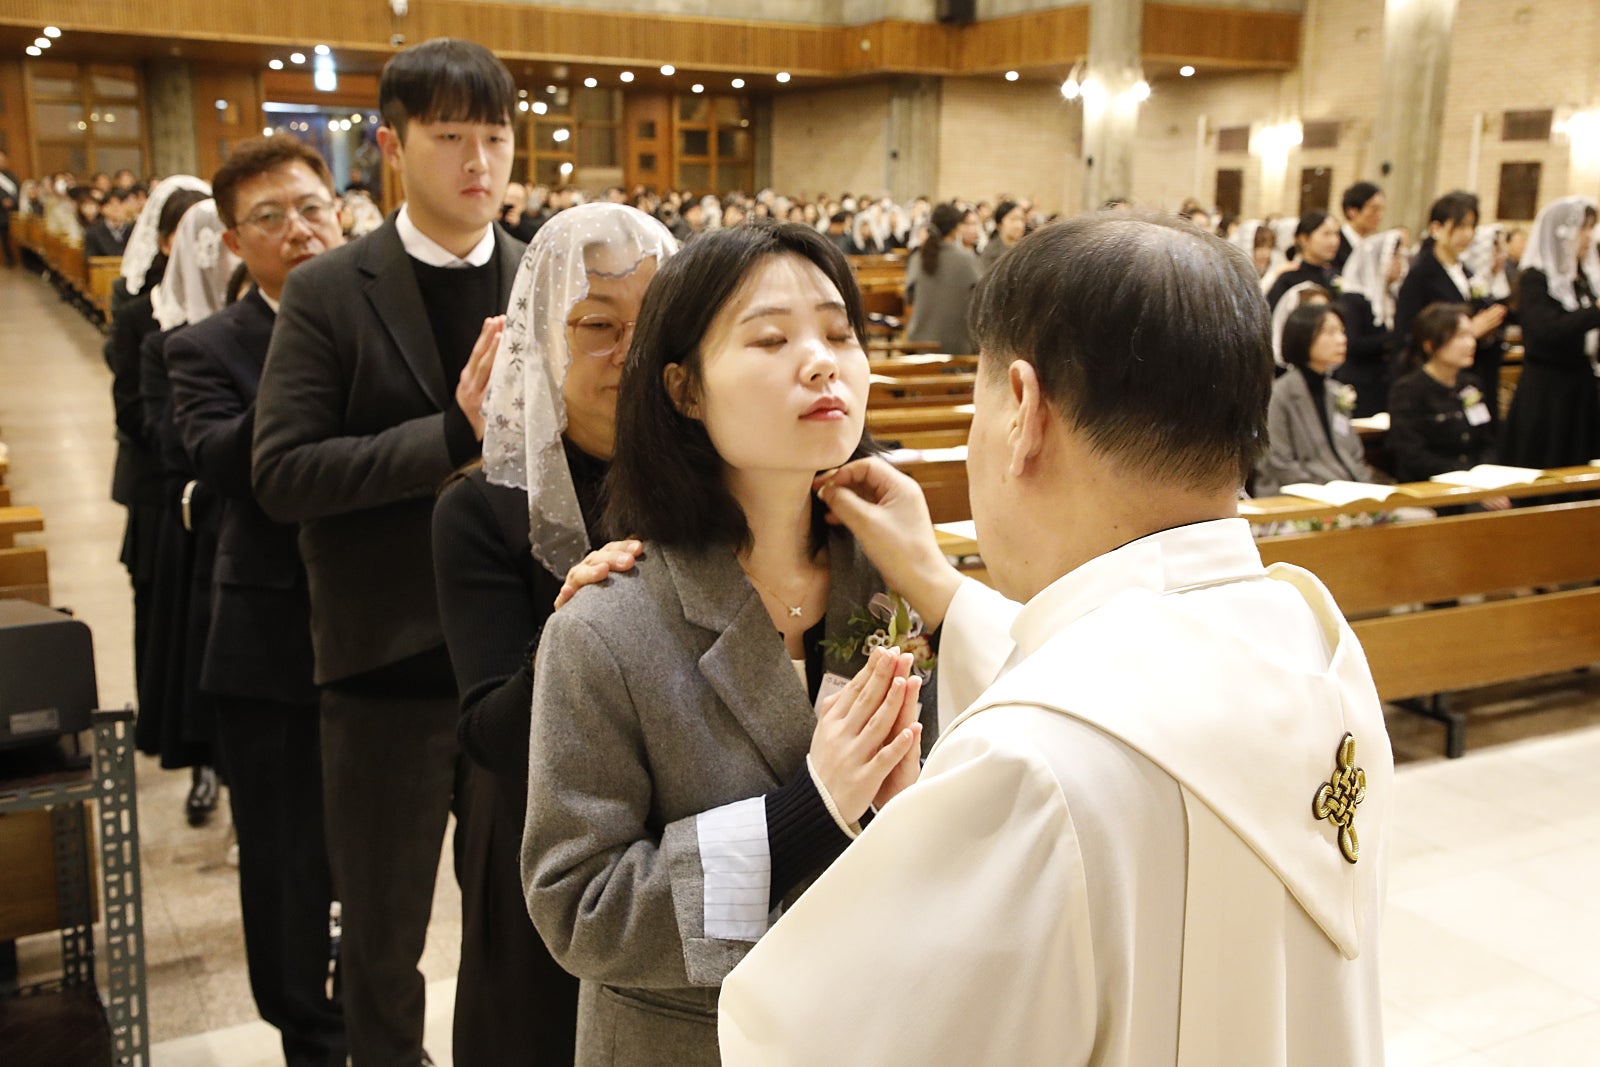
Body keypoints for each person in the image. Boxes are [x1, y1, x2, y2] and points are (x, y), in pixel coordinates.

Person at [717, 213, 1391, 1065]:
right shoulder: (1313, 640)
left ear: (1025, 410)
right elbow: (1124, 677)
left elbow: (814, 1041)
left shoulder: (1029, 766)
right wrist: (936, 585)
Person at [522, 222, 932, 1066]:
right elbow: (579, 907)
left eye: (840, 334)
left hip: (879, 1028)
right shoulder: (608, 626)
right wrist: (803, 814)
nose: (820, 363)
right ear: (684, 390)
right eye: (772, 339)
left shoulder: (901, 585)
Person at [251, 38, 524, 1067]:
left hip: (519, 661)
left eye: (494, 135)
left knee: (518, 933)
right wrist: (451, 433)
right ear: (392, 146)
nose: (478, 161)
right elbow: (284, 473)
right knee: (380, 942)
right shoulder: (331, 288)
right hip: (384, 665)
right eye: (449, 136)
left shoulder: (544, 275)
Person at [432, 203, 677, 1066]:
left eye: (653, 324)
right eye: (597, 327)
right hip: (545, 837)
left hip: (687, 824)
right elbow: (490, 733)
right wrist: (573, 628)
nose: (631, 354)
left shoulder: (716, 478)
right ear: (542, 335)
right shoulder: (481, 507)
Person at [166, 135, 348, 1067]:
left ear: (340, 211)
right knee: (285, 865)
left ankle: (378, 1033)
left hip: (387, 630)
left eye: (312, 207)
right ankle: (309, 1041)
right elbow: (228, 462)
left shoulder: (377, 318)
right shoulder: (202, 347)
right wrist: (311, 352)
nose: (299, 229)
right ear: (236, 242)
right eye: (270, 218)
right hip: (270, 643)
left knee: (378, 866)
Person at [137, 199, 240, 818]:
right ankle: (206, 765)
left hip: (249, 512)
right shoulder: (166, 341)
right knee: (200, 647)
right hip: (197, 517)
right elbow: (168, 439)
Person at [105, 179, 212, 734]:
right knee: (157, 602)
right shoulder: (138, 312)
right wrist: (188, 445)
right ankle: (156, 715)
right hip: (154, 483)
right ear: (166, 240)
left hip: (205, 485)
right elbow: (130, 411)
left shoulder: (226, 301)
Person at [1394, 191, 1508, 426]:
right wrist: (1468, 332)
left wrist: (1489, 328)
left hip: (1472, 373)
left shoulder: (1467, 272)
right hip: (1435, 383)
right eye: (1460, 226)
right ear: (1436, 228)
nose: (1467, 234)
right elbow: (1408, 331)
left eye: (1472, 226)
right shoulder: (1421, 274)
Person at [1503, 196, 1600, 469]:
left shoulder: (1580, 280)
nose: (1589, 237)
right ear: (1562, 232)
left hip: (1581, 386)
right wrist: (1596, 312)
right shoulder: (1536, 278)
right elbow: (1547, 329)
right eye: (1583, 228)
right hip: (1548, 390)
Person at [1387, 303, 1508, 507]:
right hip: (1432, 491)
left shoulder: (1471, 385)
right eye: (1460, 337)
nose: (1470, 343)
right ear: (1430, 345)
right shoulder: (1408, 390)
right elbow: (1412, 455)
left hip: (1478, 483)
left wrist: (1483, 477)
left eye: (1470, 335)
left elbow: (1487, 441)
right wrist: (1467, 483)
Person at [1254, 303, 1377, 496]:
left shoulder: (1336, 391)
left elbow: (1354, 454)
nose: (1341, 339)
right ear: (1303, 337)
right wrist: (1329, 491)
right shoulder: (1279, 394)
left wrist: (1363, 488)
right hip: (1294, 496)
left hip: (1346, 491)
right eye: (1330, 333)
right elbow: (1279, 462)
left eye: (1342, 331)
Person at [1335, 229, 1408, 417]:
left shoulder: (1392, 297)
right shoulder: (1354, 299)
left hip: (1385, 382)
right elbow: (1354, 343)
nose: (1400, 263)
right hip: (1361, 383)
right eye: (1394, 257)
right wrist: (1393, 338)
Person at [905, 202, 982, 354]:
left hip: (920, 345)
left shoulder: (918, 257)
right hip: (956, 348)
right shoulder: (967, 259)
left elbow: (909, 298)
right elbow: (981, 300)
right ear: (956, 229)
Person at [1264, 210, 1340, 312]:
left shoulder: (1333, 275)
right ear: (1304, 238)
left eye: (1336, 234)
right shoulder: (1288, 278)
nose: (1334, 241)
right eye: (1326, 234)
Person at [1334, 181, 1384, 273]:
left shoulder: (1374, 247)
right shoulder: (1335, 244)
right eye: (1374, 209)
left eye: (1381, 209)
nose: (1380, 216)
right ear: (1352, 211)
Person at [979, 199, 1025, 273]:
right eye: (1013, 219)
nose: (1019, 225)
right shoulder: (991, 253)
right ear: (999, 224)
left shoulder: (1024, 248)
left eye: (1022, 219)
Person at [0, 149, 18, 267]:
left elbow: (18, 191)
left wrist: (13, 201)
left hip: (13, 213)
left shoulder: (12, 176)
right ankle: (8, 259)